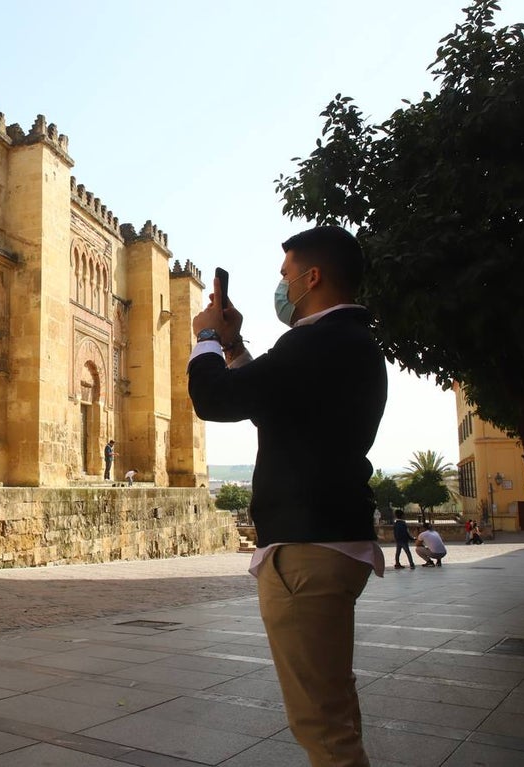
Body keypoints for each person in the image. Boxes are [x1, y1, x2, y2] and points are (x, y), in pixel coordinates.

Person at [188, 225, 387, 767]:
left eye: (285, 275)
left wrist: (205, 338)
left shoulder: (316, 341)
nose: (283, 285)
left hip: (306, 550)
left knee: (321, 726)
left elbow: (214, 399)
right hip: (334, 541)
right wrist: (233, 344)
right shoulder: (350, 342)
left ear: (312, 277)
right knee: (335, 705)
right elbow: (268, 398)